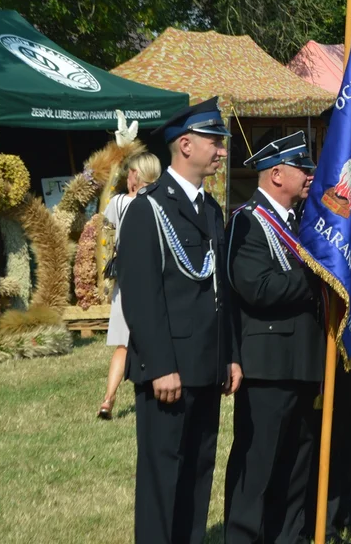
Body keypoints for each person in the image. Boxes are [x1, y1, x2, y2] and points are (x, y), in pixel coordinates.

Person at [116, 97, 242, 544]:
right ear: (185, 145)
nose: (222, 150)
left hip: (206, 365)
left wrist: (229, 356)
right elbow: (142, 298)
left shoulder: (210, 209)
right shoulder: (147, 209)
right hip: (169, 369)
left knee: (197, 471)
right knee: (162, 478)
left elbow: (218, 291)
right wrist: (161, 365)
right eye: (215, 141)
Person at [223, 132, 325, 544]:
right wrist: (314, 272)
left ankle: (289, 535)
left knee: (297, 462)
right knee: (258, 463)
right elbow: (257, 288)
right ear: (276, 173)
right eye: (303, 168)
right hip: (267, 364)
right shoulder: (247, 221)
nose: (309, 176)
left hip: (305, 358)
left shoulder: (301, 224)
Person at [98, 152, 161, 420]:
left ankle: (108, 399)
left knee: (122, 346)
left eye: (131, 171)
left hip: (126, 281)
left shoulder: (119, 203)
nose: (128, 176)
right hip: (156, 279)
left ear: (138, 174)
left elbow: (106, 232)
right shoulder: (162, 203)